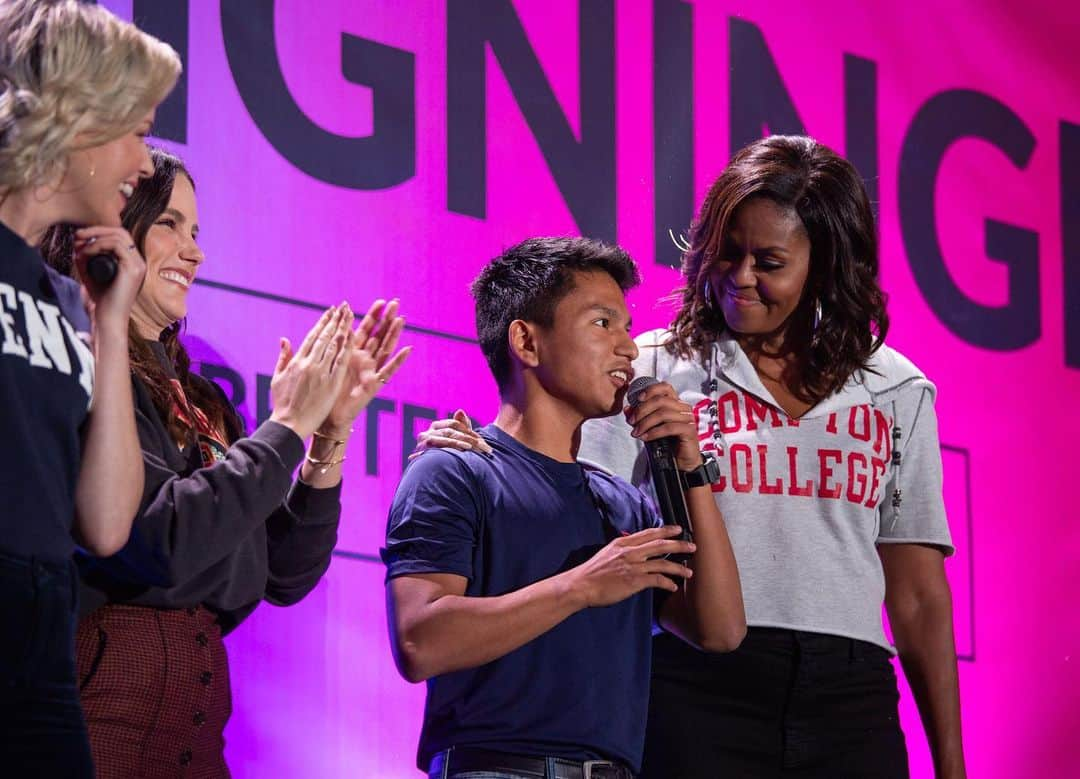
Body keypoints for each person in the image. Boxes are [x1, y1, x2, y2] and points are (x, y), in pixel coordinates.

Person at [419, 137, 966, 778]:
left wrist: (951, 768)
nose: (740, 277)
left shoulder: (896, 389)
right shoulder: (648, 367)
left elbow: (919, 597)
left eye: (769, 261)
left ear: (824, 266)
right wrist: (480, 448)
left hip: (851, 695)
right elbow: (561, 483)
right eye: (727, 253)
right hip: (691, 682)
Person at [44, 148, 411, 776]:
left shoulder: (205, 400)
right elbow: (155, 541)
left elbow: (284, 574)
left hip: (196, 740)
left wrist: (326, 437)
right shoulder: (81, 365)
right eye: (169, 224)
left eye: (197, 232)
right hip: (96, 725)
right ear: (112, 227)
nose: (195, 253)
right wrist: (288, 423)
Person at [384, 237, 745, 779]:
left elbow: (720, 630)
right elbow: (419, 641)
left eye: (626, 327)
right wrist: (580, 587)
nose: (628, 348)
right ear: (527, 342)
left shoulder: (625, 505)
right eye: (603, 324)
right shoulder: (454, 470)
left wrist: (690, 467)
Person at [0, 1, 179, 773]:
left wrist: (109, 327)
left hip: (42, 650)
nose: (145, 163)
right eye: (138, 130)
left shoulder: (59, 295)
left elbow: (106, 522)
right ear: (76, 118)